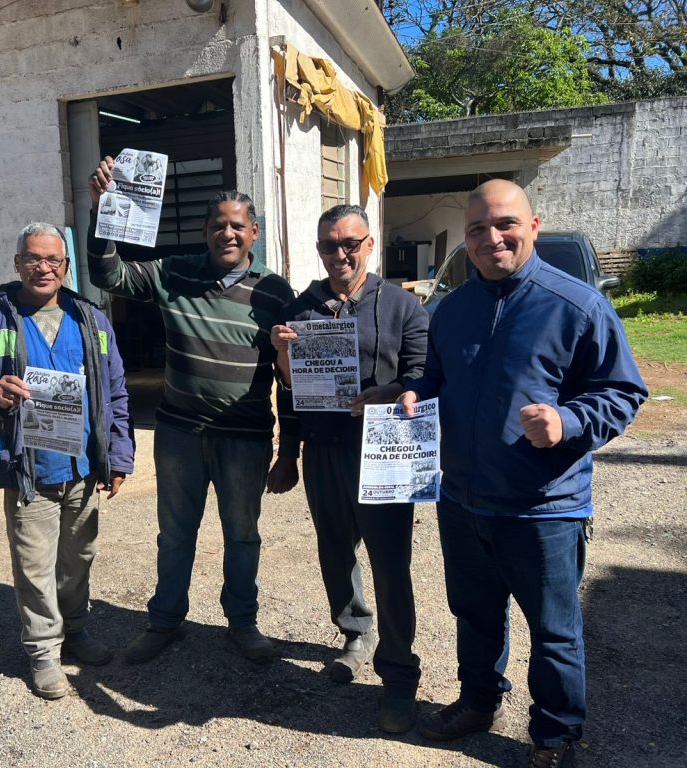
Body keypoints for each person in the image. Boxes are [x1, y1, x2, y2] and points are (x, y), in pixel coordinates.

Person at [400, 180, 647, 767]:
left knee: (554, 632)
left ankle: (555, 735)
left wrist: (568, 420)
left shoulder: (577, 306)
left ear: (532, 226)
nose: (492, 238)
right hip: (463, 500)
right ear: (466, 240)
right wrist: (415, 393)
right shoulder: (452, 310)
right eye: (477, 229)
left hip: (543, 508)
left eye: (505, 223)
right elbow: (436, 378)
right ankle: (478, 702)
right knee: (474, 615)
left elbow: (623, 392)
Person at [87, 157, 295, 664]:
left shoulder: (275, 292)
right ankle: (164, 621)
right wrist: (103, 212)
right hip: (180, 434)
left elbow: (290, 378)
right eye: (218, 225)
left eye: (237, 226)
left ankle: (242, 622)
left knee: (242, 535)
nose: (228, 233)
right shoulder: (173, 272)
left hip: (245, 438)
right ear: (206, 232)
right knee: (175, 534)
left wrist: (289, 449)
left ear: (254, 233)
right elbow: (108, 273)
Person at [0, 222, 134, 699]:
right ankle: (44, 653)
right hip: (28, 470)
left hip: (82, 470)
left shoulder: (90, 319)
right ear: (17, 263)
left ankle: (76, 630)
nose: (43, 268)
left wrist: (118, 455)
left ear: (66, 266)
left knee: (79, 558)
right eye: (33, 258)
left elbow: (115, 391)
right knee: (34, 566)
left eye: (53, 259)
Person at [266, 204, 428, 733]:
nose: (340, 254)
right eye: (329, 246)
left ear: (369, 244)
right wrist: (288, 451)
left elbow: (424, 374)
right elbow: (288, 391)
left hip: (384, 451)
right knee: (335, 551)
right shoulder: (300, 309)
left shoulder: (402, 306)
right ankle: (355, 632)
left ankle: (398, 675)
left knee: (390, 563)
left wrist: (392, 391)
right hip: (324, 451)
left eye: (350, 244)